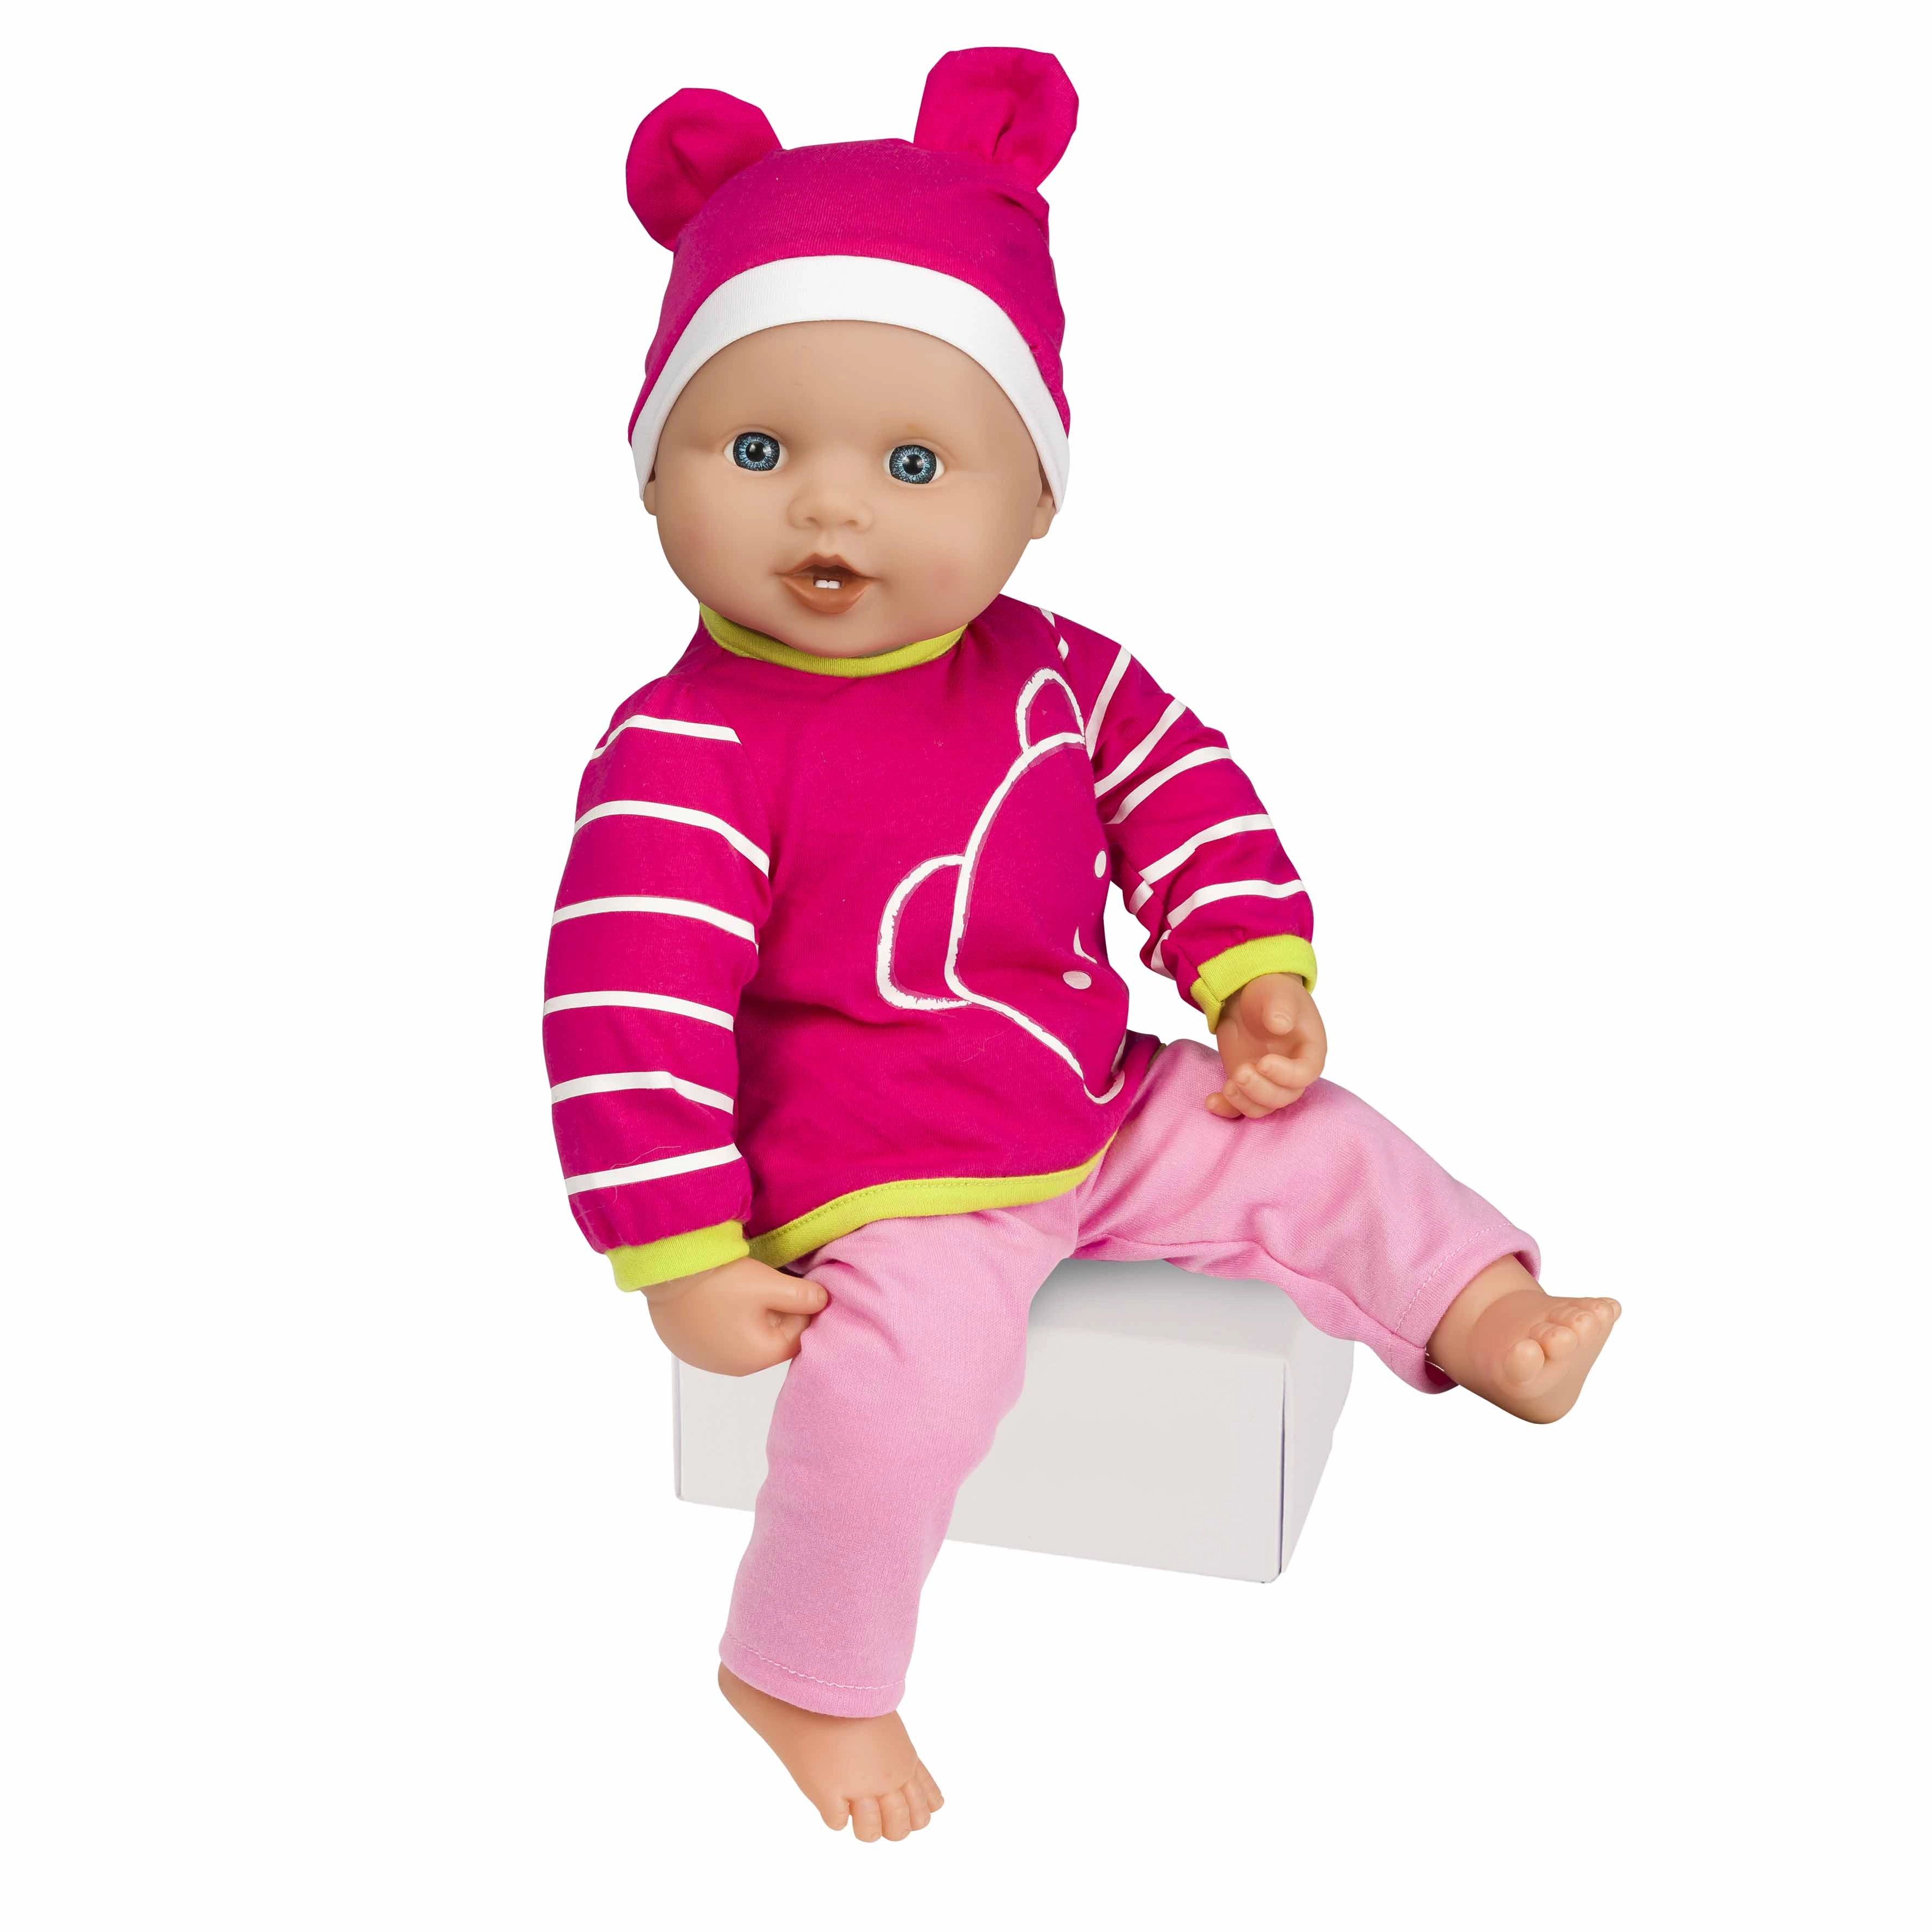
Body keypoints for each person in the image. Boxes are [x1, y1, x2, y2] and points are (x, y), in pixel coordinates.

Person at [543, 47, 1620, 1843]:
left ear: (1032, 494)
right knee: (914, 1387)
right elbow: (622, 1009)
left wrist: (1250, 971)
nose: (830, 508)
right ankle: (802, 1665)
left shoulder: (1055, 669)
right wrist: (679, 1250)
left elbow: (1184, 791)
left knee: (1315, 1140)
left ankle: (1479, 1307)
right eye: (757, 449)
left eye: (912, 461)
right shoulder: (688, 749)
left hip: (1088, 1094)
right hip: (882, 1174)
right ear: (655, 474)